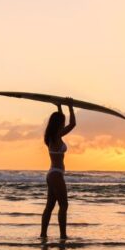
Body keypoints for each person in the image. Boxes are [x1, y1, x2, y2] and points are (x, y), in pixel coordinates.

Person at [41, 103, 75, 240]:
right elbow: (72, 124)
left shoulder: (51, 136)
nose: (63, 123)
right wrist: (71, 106)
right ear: (58, 124)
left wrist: (59, 107)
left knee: (50, 206)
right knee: (64, 204)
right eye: (61, 121)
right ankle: (63, 236)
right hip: (55, 174)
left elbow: (63, 122)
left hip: (52, 174)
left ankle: (43, 235)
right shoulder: (55, 136)